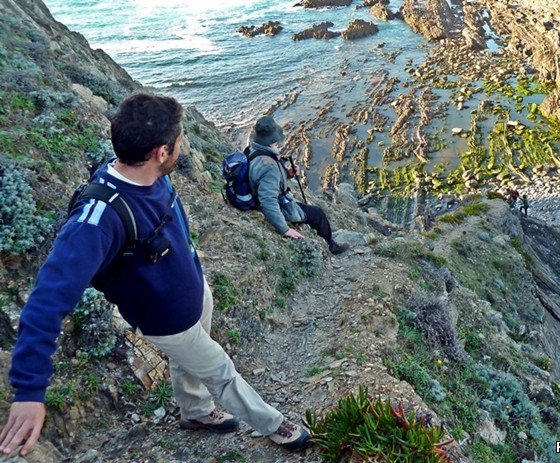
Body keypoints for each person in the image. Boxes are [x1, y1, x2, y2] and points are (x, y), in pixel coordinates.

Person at [0, 94, 310, 457]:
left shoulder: (148, 174)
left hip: (192, 292)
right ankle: (275, 425)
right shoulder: (97, 220)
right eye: (179, 141)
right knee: (220, 371)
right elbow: (45, 301)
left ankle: (195, 412)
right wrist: (29, 390)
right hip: (166, 319)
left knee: (189, 361)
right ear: (162, 152)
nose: (183, 146)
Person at [246, 116, 347, 255]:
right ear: (271, 141)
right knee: (318, 214)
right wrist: (284, 229)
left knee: (312, 211)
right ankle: (331, 247)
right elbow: (267, 200)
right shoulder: (268, 165)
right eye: (276, 143)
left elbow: (263, 179)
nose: (278, 145)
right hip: (278, 205)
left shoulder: (253, 149)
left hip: (257, 195)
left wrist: (288, 173)